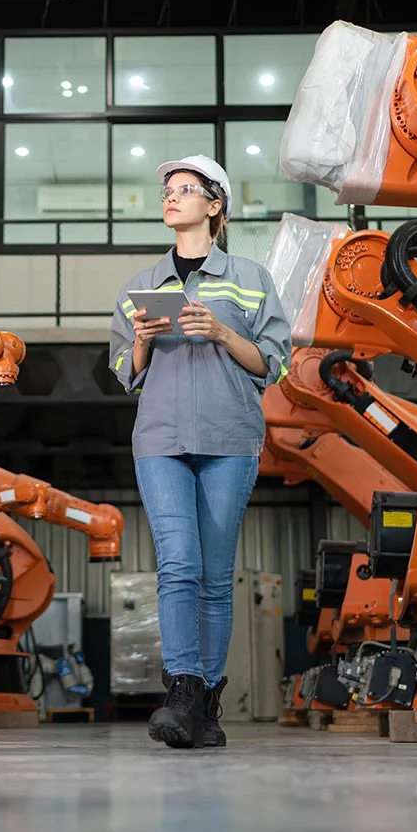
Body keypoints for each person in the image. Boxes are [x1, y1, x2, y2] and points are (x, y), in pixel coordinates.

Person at [108, 154, 290, 749]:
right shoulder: (141, 287)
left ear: (215, 206)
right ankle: (183, 689)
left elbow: (275, 364)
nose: (171, 196)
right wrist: (141, 341)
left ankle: (207, 708)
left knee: (214, 575)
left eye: (185, 188)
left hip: (229, 438)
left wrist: (223, 332)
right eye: (167, 189)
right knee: (179, 564)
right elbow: (123, 370)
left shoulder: (251, 278)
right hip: (160, 440)